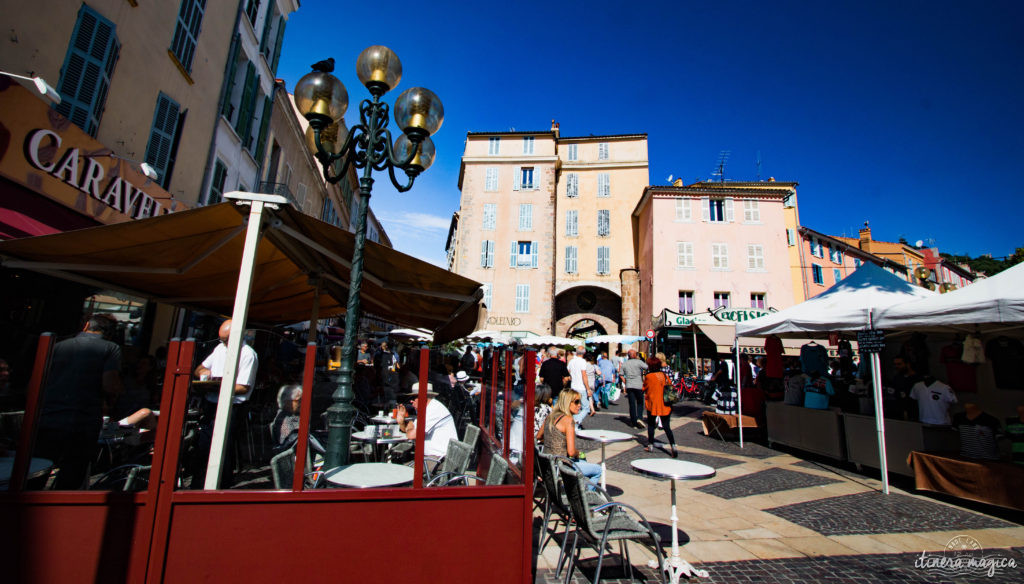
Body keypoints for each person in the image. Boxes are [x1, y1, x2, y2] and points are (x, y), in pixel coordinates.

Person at [34, 315, 123, 489]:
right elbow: (110, 384)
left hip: (48, 416)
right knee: (72, 473)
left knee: (38, 469)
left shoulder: (57, 346)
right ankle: (60, 509)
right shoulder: (110, 348)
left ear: (86, 326)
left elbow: (35, 383)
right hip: (82, 419)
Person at [192, 319, 258, 488]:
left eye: (226, 339)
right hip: (211, 403)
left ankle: (221, 484)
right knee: (204, 444)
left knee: (224, 446)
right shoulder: (219, 349)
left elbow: (243, 387)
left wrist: (217, 387)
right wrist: (204, 372)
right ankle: (199, 482)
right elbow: (199, 368)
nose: (223, 342)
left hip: (232, 406)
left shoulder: (247, 354)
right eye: (221, 339)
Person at [540, 390, 601, 489]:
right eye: (576, 402)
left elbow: (538, 437)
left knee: (584, 463)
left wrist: (552, 442)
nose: (579, 405)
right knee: (597, 470)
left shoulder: (550, 416)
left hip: (548, 464)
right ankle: (583, 498)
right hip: (562, 466)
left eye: (580, 402)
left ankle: (576, 491)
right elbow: (571, 452)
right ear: (567, 402)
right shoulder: (568, 420)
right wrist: (579, 453)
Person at [397, 383, 458, 459]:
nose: (411, 401)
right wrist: (401, 422)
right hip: (432, 456)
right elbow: (410, 431)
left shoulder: (433, 410)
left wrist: (408, 425)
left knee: (401, 468)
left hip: (439, 458)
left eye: (414, 397)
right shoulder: (427, 408)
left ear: (423, 398)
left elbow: (411, 435)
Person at [642, 357, 677, 457]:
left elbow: (644, 388)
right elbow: (670, 385)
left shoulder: (649, 376)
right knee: (666, 427)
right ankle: (673, 446)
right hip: (665, 404)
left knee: (651, 425)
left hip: (653, 404)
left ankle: (650, 445)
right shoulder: (664, 375)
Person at [269, 384, 303, 451]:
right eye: (299, 400)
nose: (301, 403)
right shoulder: (284, 420)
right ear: (287, 402)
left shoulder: (292, 415)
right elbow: (289, 445)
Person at [621, 349, 649, 428]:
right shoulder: (639, 362)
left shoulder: (625, 364)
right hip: (638, 385)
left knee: (632, 404)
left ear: (628, 356)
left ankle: (633, 422)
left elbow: (621, 374)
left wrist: (625, 382)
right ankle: (639, 418)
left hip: (629, 385)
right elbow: (647, 367)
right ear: (635, 355)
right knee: (640, 402)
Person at [566, 346, 592, 427]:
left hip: (573, 386)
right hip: (581, 387)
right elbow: (584, 375)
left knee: (575, 407)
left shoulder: (571, 361)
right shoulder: (583, 362)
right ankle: (575, 421)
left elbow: (568, 372)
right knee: (586, 408)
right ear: (584, 353)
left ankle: (576, 426)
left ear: (576, 352)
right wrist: (588, 389)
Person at [375, 341, 399, 408]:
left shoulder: (391, 355)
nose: (381, 348)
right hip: (386, 378)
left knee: (386, 396)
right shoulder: (392, 355)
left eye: (382, 346)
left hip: (386, 378)